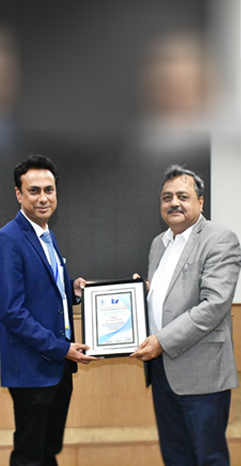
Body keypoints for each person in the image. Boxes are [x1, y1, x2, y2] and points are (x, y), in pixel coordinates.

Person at [0, 154, 97, 466]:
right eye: (34, 190)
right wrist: (62, 349)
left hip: (57, 368)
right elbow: (12, 312)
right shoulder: (6, 241)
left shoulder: (47, 236)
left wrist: (71, 288)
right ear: (19, 194)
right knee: (29, 456)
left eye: (49, 189)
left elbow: (43, 288)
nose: (43, 197)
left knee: (48, 452)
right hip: (33, 371)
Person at [131, 164, 241, 466]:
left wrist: (162, 342)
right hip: (162, 373)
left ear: (200, 202)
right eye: (167, 197)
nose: (174, 203)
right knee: (176, 457)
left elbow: (214, 305)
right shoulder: (159, 243)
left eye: (183, 195)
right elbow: (167, 300)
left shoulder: (219, 239)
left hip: (201, 375)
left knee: (209, 458)